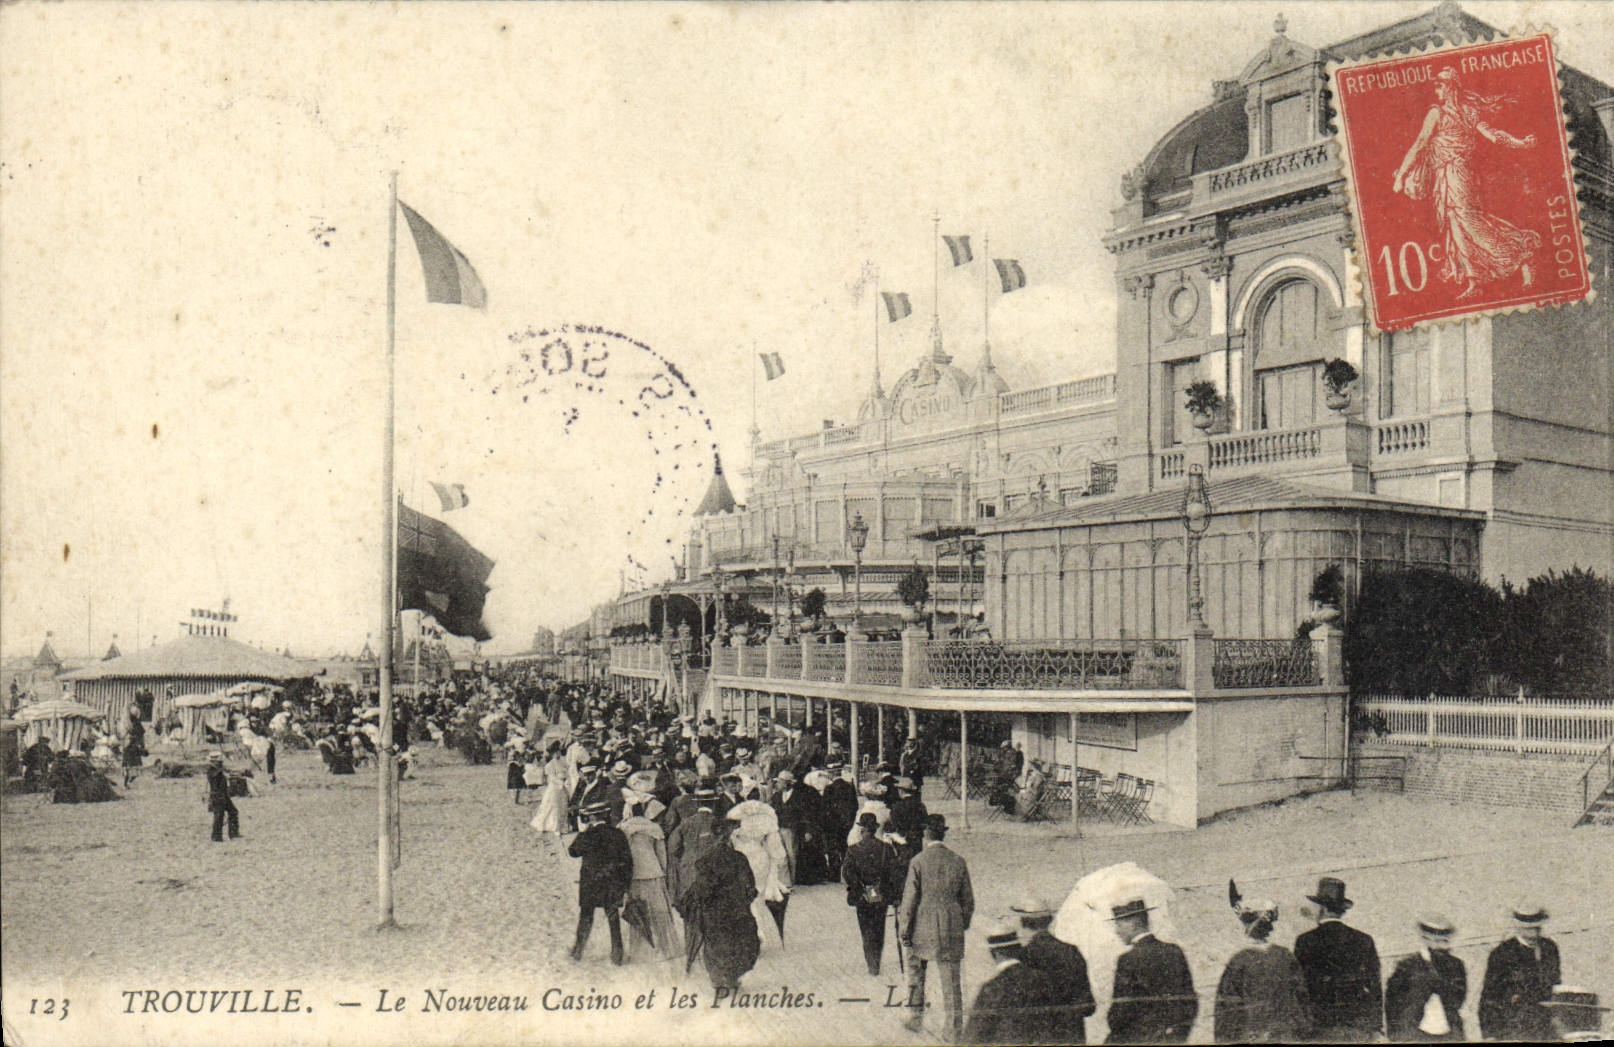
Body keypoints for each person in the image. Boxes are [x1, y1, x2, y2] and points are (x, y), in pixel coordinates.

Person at [1392, 66, 1541, 299]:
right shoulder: (1437, 113)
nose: (1437, 90)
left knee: (1469, 221)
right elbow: (1420, 143)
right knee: (1455, 224)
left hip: (1460, 173)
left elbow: (1492, 134)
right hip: (1443, 176)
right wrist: (1402, 174)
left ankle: (1519, 255)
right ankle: (1474, 280)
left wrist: (1520, 144)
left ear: (1451, 87)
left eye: (1440, 85)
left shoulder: (1464, 113)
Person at [897, 814, 974, 1039]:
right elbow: (968, 900)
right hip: (951, 923)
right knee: (951, 979)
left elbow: (909, 899)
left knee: (915, 972)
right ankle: (953, 1029)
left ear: (925, 835)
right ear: (944, 834)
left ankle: (915, 1017)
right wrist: (962, 923)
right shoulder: (958, 861)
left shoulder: (918, 861)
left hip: (922, 924)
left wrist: (904, 928)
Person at [1293, 877, 1382, 1041]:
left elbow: (1300, 988)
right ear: (1341, 909)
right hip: (1357, 1026)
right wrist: (1376, 1028)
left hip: (1319, 1026)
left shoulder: (1305, 941)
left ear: (1322, 909)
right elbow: (1374, 986)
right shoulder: (1363, 939)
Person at [679, 815, 760, 993]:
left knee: (716, 944)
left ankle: (719, 980)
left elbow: (703, 888)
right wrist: (743, 900)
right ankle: (731, 977)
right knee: (740, 942)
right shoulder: (739, 858)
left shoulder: (706, 860)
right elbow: (750, 887)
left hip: (715, 912)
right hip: (738, 910)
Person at [1213, 896, 1310, 1043]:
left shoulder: (1239, 959)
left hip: (1250, 1035)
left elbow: (1226, 1009)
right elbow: (1302, 998)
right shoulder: (1285, 955)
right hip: (1285, 1034)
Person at [1105, 898, 1197, 1044]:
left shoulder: (1128, 959)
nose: (1116, 931)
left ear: (1132, 924)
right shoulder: (1174, 951)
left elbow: (1120, 1012)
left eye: (1118, 924)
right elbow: (1190, 1001)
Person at [1013, 896, 1096, 1045]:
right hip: (1073, 1037)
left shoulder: (1023, 957)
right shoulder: (1072, 951)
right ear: (1050, 920)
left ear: (1022, 923)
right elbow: (1089, 1007)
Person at [1479, 902, 1561, 1042]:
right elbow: (1489, 997)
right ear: (1518, 927)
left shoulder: (1549, 948)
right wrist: (1490, 1035)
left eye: (1537, 928)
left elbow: (1556, 983)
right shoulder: (1502, 953)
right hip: (1515, 1027)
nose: (1534, 933)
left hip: (1546, 1027)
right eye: (1528, 929)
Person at [963, 921, 1051, 1046]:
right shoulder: (1043, 979)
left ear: (994, 953)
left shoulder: (993, 988)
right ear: (1018, 949)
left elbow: (973, 1036)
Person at [567, 800, 633, 965]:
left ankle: (578, 950)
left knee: (586, 916)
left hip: (591, 882)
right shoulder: (617, 833)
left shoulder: (588, 834)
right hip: (612, 881)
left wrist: (582, 833)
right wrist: (625, 884)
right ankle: (617, 953)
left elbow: (573, 851)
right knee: (612, 917)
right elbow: (627, 861)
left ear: (592, 817)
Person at [1385, 914, 1467, 1042]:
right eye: (1431, 939)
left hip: (1449, 1032)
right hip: (1413, 1032)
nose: (1436, 945)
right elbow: (1392, 1003)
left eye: (1442, 940)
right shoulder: (1407, 965)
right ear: (1424, 938)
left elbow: (1458, 999)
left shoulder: (1455, 965)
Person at [620, 799, 681, 962]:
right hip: (653, 873)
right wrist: (663, 872)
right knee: (659, 911)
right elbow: (662, 854)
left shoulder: (623, 828)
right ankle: (666, 948)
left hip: (634, 875)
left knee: (637, 911)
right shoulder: (654, 828)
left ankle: (640, 951)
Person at [842, 811, 900, 976]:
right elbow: (894, 874)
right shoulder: (886, 848)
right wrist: (895, 896)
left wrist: (858, 888)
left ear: (862, 830)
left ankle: (871, 964)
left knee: (865, 929)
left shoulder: (853, 850)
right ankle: (877, 960)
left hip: (862, 896)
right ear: (874, 829)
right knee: (879, 928)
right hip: (881, 894)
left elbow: (847, 873)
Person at [530, 742, 570, 838]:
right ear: (551, 754)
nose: (557, 755)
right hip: (554, 788)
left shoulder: (563, 762)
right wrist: (561, 782)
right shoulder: (549, 765)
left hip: (563, 788)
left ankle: (563, 826)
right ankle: (556, 828)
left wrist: (567, 780)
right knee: (554, 807)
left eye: (558, 752)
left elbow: (567, 771)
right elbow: (551, 778)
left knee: (563, 806)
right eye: (554, 753)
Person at [205, 751, 240, 842]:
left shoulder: (216, 770)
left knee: (233, 812)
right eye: (219, 762)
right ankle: (216, 837)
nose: (221, 763)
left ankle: (233, 834)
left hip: (224, 795)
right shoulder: (211, 770)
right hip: (217, 796)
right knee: (219, 816)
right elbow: (214, 777)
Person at [122, 706, 147, 787]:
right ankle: (129, 782)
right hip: (134, 748)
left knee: (127, 767)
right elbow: (141, 737)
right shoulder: (137, 724)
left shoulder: (126, 723)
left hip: (127, 747)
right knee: (135, 768)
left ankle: (126, 783)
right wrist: (143, 746)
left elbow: (123, 735)